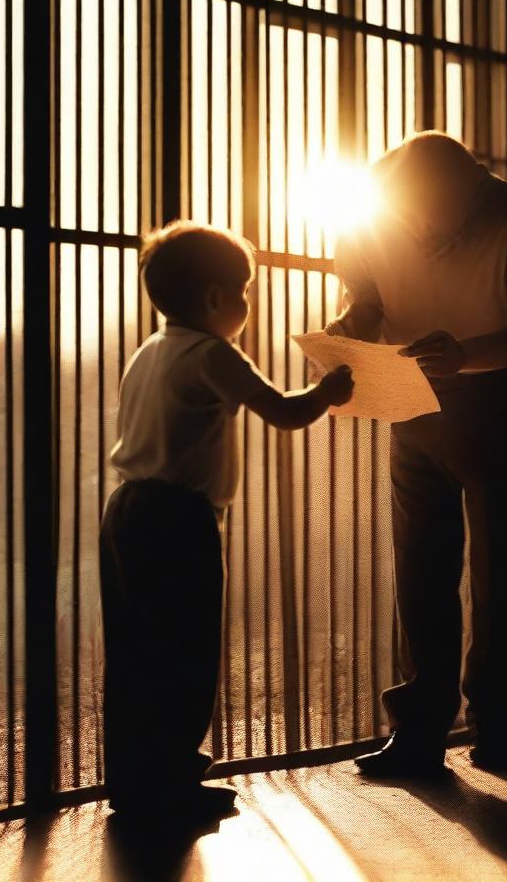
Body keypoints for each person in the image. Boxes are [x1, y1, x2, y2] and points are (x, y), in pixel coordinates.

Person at [101, 221, 353, 826]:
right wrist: (331, 389)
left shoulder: (150, 351)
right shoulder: (211, 353)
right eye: (243, 290)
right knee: (185, 650)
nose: (247, 302)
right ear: (216, 297)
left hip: (126, 510)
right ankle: (173, 784)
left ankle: (135, 783)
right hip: (178, 519)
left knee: (135, 653)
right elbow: (285, 412)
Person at [327, 131, 507, 778]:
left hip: (505, 399)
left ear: (475, 184)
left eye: (439, 208)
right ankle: (420, 733)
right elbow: (368, 297)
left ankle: (491, 723)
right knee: (420, 565)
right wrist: (351, 327)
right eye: (409, 210)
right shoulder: (372, 218)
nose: (422, 226)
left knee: (495, 565)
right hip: (413, 397)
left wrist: (466, 354)